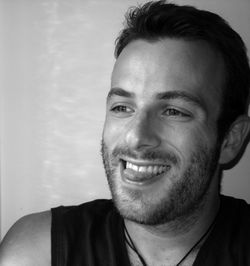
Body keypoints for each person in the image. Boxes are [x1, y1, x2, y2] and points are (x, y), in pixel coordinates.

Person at [1, 1, 250, 265]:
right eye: (122, 107)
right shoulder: (36, 253)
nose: (136, 137)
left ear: (230, 140)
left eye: (174, 111)